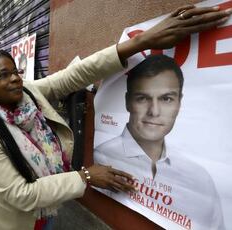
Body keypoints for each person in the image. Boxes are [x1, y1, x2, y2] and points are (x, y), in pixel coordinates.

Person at [0, 6, 231, 230]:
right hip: (13, 221)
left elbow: (76, 74)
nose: (14, 78)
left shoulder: (29, 94)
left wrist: (140, 42)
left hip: (48, 212)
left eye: (15, 71)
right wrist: (85, 177)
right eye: (2, 75)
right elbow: (21, 195)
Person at [94, 55, 224, 230]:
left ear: (179, 103)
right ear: (127, 102)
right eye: (142, 98)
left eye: (166, 99)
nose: (154, 111)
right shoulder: (101, 156)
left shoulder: (201, 181)